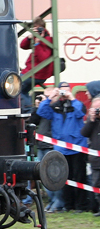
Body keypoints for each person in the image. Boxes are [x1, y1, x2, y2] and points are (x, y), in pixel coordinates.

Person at [37, 82, 90, 212]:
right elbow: (41, 111)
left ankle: (80, 206)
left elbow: (80, 113)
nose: (64, 93)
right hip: (61, 149)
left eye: (66, 90)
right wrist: (50, 98)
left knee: (79, 178)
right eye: (62, 91)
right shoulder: (55, 107)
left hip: (77, 147)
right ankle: (68, 205)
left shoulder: (76, 104)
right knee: (64, 178)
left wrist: (72, 98)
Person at [20, 16, 54, 108]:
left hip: (36, 73)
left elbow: (43, 58)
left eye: (38, 28)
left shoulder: (47, 40)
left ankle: (28, 110)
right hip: (33, 72)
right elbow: (22, 45)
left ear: (43, 28)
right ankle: (28, 108)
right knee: (22, 91)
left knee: (15, 88)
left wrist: (38, 43)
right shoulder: (35, 37)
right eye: (34, 28)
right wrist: (30, 37)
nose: (36, 30)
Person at [82, 89, 100, 216]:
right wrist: (91, 119)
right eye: (95, 109)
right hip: (95, 161)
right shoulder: (92, 121)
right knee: (96, 185)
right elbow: (84, 133)